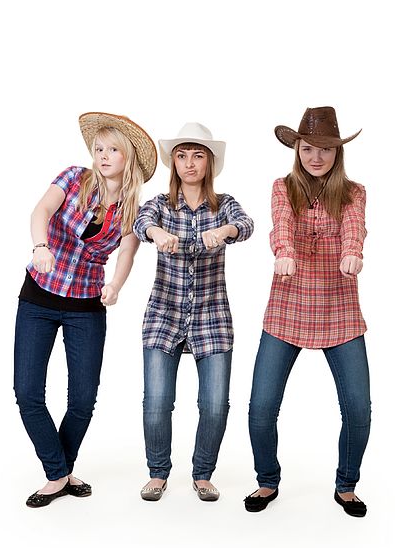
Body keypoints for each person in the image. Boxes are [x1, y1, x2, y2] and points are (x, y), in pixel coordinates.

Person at [14, 112, 157, 507]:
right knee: (27, 393)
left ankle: (60, 471)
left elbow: (127, 251)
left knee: (82, 399)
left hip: (86, 307)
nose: (104, 155)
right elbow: (40, 211)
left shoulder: (132, 208)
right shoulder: (74, 178)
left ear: (128, 158)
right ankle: (59, 473)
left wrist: (116, 284)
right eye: (99, 148)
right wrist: (40, 247)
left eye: (113, 150)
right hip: (39, 297)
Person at [244, 106, 371, 516]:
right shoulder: (283, 187)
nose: (315, 157)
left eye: (325, 149)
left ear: (338, 153)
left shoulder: (354, 192)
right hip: (287, 308)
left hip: (340, 309)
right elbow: (280, 224)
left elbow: (354, 227)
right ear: (296, 148)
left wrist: (353, 253)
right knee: (261, 407)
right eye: (307, 148)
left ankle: (346, 484)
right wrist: (284, 252)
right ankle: (267, 481)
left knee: (358, 407)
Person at [133, 122, 254, 502]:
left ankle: (203, 474)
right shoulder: (160, 205)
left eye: (198, 155)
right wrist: (156, 234)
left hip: (212, 317)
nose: (189, 163)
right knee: (157, 402)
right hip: (163, 315)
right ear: (174, 162)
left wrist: (226, 232)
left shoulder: (224, 204)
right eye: (182, 156)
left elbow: (246, 224)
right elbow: (140, 222)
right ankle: (157, 473)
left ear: (210, 162)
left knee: (215, 404)